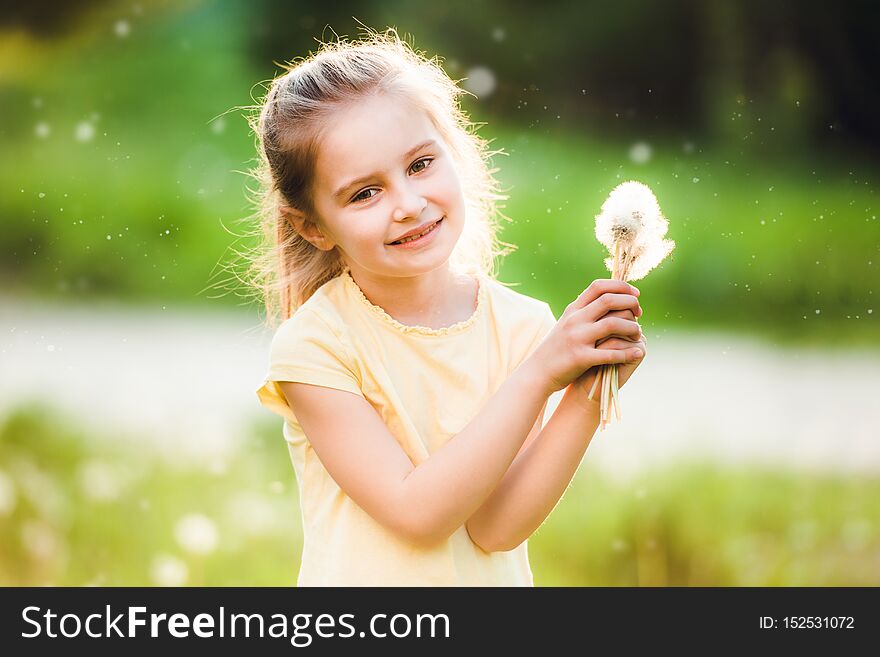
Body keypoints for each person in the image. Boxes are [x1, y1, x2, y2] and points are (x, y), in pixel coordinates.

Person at [253, 28, 647, 586]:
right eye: (365, 193)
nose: (409, 205)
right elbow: (418, 517)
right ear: (312, 226)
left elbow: (496, 530)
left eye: (419, 165)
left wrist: (586, 389)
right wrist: (541, 374)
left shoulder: (523, 327)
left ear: (453, 153)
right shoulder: (317, 345)